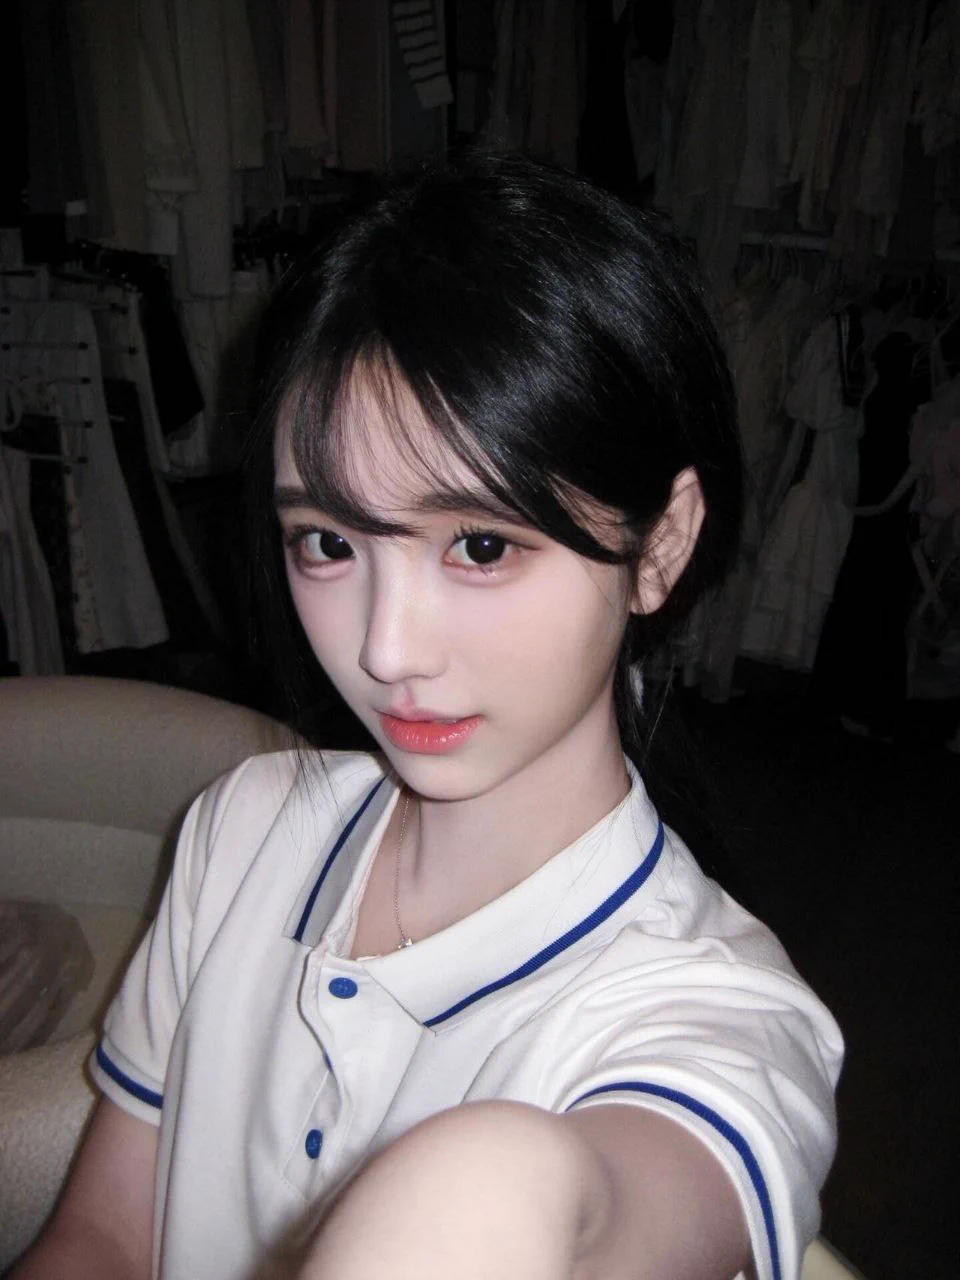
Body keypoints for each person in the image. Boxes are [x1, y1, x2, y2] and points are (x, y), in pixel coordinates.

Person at [14, 153, 842, 1280]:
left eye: (482, 545)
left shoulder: (717, 1010)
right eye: (327, 542)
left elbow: (612, 1194)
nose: (385, 649)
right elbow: (103, 1237)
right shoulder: (243, 827)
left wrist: (486, 1186)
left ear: (662, 545)